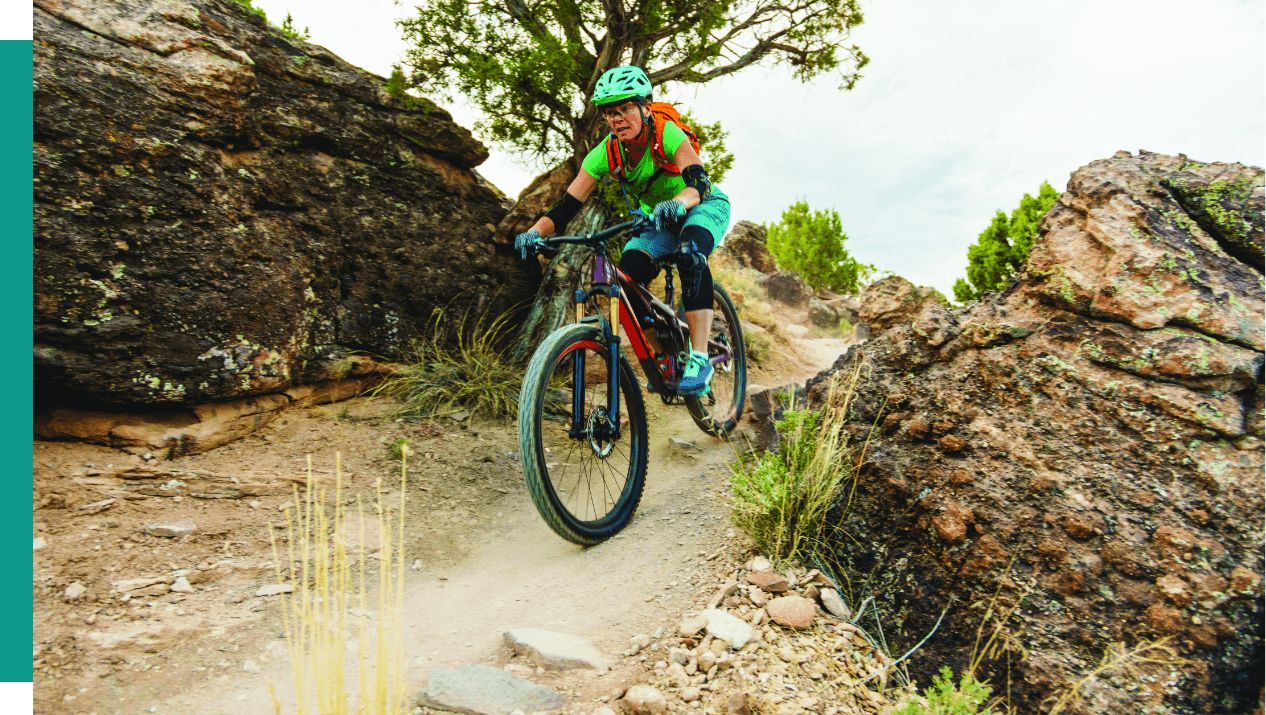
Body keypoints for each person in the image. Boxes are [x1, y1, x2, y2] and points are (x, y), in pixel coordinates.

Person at [514, 65, 731, 396]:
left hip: (702, 206)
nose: (617, 119)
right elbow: (568, 204)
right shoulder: (606, 152)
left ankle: (699, 357)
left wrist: (678, 202)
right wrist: (534, 233)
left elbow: (698, 181)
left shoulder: (667, 133)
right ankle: (666, 356)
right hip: (656, 222)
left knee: (690, 254)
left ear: (644, 107)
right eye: (610, 112)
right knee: (624, 280)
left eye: (625, 108)